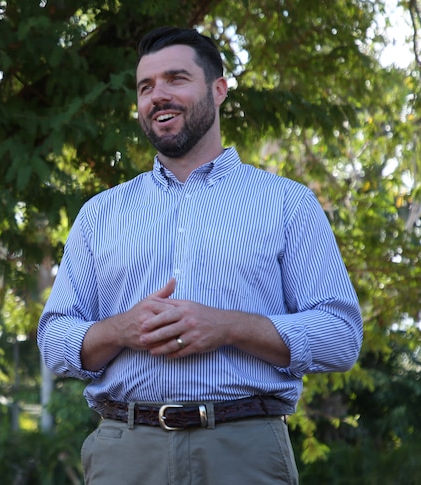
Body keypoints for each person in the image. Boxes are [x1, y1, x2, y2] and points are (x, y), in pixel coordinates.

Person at [37, 26, 363, 484]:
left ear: (219, 90)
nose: (157, 96)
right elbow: (53, 341)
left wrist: (227, 326)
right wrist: (121, 329)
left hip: (244, 450)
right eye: (145, 87)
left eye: (176, 79)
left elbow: (341, 336)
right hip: (125, 453)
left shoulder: (288, 203)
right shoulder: (99, 214)